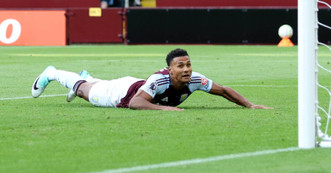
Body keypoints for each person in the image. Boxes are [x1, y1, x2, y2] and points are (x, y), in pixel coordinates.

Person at [31, 48, 271, 110]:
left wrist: (249, 105)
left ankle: (88, 77)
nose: (186, 69)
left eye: (188, 64)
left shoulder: (196, 79)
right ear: (169, 69)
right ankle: (52, 73)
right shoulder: (159, 80)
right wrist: (168, 111)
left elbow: (224, 90)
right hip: (121, 94)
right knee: (84, 91)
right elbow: (136, 103)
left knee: (90, 84)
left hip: (136, 85)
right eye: (180, 66)